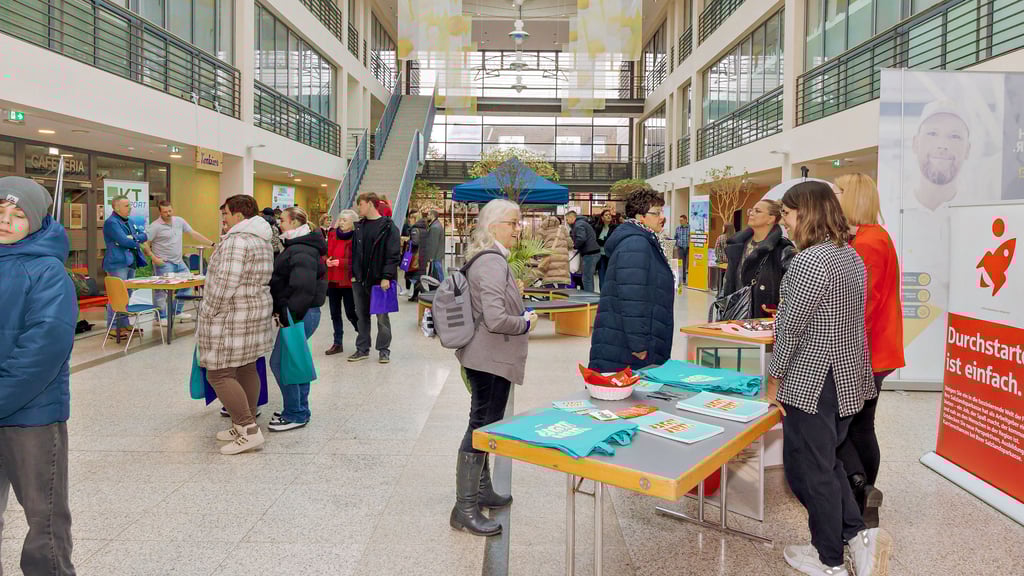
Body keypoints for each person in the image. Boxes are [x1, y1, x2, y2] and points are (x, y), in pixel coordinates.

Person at [766, 181, 891, 576]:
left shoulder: (809, 261)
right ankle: (856, 538)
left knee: (809, 470)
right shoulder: (847, 255)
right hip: (847, 377)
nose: (783, 222)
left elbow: (790, 328)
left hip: (814, 380)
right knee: (830, 462)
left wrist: (774, 379)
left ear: (806, 212)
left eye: (786, 213)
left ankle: (828, 560)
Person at [0, 177, 79, 575]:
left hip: (31, 414)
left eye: (18, 214)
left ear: (34, 221)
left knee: (43, 522)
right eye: (0, 211)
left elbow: (44, 348)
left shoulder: (47, 272)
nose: (6, 221)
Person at [451, 199, 537, 537]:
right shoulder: (492, 262)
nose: (519, 229)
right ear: (494, 227)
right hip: (488, 360)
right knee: (480, 428)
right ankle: (465, 507)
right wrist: (525, 322)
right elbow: (497, 318)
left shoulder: (490, 260)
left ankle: (481, 491)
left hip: (487, 358)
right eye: (513, 223)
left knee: (485, 426)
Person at [834, 173, 905, 528]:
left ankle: (863, 491)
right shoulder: (871, 237)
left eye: (840, 191)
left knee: (855, 427)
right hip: (874, 349)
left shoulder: (868, 243)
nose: (835, 195)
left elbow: (863, 304)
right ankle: (864, 490)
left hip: (867, 351)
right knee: (861, 424)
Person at [199, 195, 275, 455]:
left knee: (218, 373)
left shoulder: (237, 241)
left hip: (230, 317)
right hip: (253, 313)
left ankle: (247, 428)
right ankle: (246, 423)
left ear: (239, 216)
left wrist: (208, 310)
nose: (223, 220)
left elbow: (225, 283)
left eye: (226, 215)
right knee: (246, 367)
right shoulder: (262, 240)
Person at [589, 188, 673, 372]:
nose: (661, 218)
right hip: (630, 348)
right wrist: (639, 344)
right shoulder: (636, 244)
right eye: (656, 213)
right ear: (640, 217)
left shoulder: (643, 240)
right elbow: (632, 299)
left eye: (662, 212)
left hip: (629, 340)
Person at [268, 207, 327, 432]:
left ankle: (295, 413)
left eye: (282, 220)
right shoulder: (300, 246)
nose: (279, 224)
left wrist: (288, 314)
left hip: (299, 314)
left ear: (293, 223)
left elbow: (302, 288)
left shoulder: (301, 249)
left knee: (283, 362)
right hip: (301, 314)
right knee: (294, 360)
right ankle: (299, 409)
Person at [141, 200, 216, 324]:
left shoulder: (179, 221)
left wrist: (212, 244)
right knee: (161, 291)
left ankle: (175, 311)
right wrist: (154, 259)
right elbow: (145, 243)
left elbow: (193, 233)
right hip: (164, 263)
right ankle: (161, 317)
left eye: (170, 211)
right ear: (160, 212)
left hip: (179, 261)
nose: (168, 214)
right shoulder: (155, 226)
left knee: (188, 284)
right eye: (165, 212)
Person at [349, 192, 401, 364]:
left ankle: (384, 350)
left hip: (379, 281)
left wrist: (386, 276)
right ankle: (362, 348)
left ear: (371, 204)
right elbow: (355, 253)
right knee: (361, 316)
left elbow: (393, 254)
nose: (358, 208)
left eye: (361, 204)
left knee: (382, 318)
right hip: (360, 280)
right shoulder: (359, 227)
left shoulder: (388, 227)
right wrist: (354, 274)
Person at [722, 200, 795, 318]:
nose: (751, 213)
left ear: (771, 219)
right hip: (734, 314)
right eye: (751, 210)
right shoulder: (738, 245)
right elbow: (728, 281)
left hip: (762, 318)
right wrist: (722, 304)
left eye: (758, 211)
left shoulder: (782, 249)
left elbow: (795, 288)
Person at [102, 194, 148, 338]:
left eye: (130, 205)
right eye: (127, 205)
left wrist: (132, 238)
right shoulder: (111, 223)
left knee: (127, 295)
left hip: (130, 261)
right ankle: (113, 327)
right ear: (116, 207)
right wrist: (133, 239)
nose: (130, 208)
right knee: (117, 296)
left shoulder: (129, 221)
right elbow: (123, 241)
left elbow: (144, 236)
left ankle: (124, 323)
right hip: (117, 263)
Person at [912, 100, 970, 211]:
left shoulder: (976, 213)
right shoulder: (890, 211)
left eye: (954, 136)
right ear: (915, 143)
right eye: (932, 133)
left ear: (967, 149)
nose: (942, 145)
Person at [325, 209, 359, 355]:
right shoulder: (332, 234)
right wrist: (326, 260)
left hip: (347, 281)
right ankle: (337, 343)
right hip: (332, 278)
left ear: (352, 222)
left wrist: (340, 262)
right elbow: (325, 252)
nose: (341, 222)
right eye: (341, 219)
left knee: (350, 312)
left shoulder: (356, 237)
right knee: (334, 313)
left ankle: (363, 334)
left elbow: (357, 260)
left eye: (345, 220)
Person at [566, 210, 600, 292]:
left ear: (572, 217)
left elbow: (581, 238)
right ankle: (590, 296)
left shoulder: (578, 225)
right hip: (593, 252)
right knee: (588, 277)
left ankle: (589, 298)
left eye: (567, 219)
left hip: (590, 254)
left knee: (586, 278)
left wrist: (575, 246)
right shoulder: (582, 223)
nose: (566, 222)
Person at [538, 215, 571, 287]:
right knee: (562, 277)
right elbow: (570, 244)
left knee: (548, 277)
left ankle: (549, 295)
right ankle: (561, 295)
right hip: (562, 257)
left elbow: (538, 244)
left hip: (549, 256)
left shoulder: (542, 230)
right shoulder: (562, 229)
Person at [406, 214, 428, 302]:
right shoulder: (424, 229)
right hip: (422, 256)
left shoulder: (415, 229)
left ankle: (425, 294)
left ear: (415, 219)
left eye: (411, 217)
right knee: (417, 277)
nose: (409, 219)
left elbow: (415, 243)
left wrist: (408, 241)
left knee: (413, 277)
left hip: (415, 257)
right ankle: (415, 296)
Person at [594, 209, 617, 289]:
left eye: (609, 215)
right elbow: (596, 240)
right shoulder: (598, 228)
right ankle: (602, 294)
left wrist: (603, 240)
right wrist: (604, 240)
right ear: (602, 218)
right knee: (601, 275)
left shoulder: (615, 228)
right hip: (601, 255)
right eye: (606, 215)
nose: (608, 216)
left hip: (611, 256)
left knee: (611, 276)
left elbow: (611, 241)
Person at [422, 209, 446, 283]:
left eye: (429, 214)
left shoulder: (434, 227)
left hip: (436, 255)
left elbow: (433, 243)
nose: (427, 216)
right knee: (438, 271)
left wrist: (431, 257)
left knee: (438, 272)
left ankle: (443, 285)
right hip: (437, 254)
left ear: (433, 216)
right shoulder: (436, 225)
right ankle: (442, 285)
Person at [673, 214, 690, 286]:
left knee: (689, 263)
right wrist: (676, 245)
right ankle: (682, 279)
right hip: (680, 248)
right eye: (679, 220)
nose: (680, 222)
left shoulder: (690, 228)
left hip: (689, 248)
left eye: (682, 220)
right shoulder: (678, 228)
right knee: (681, 264)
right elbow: (675, 237)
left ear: (686, 220)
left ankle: (691, 280)